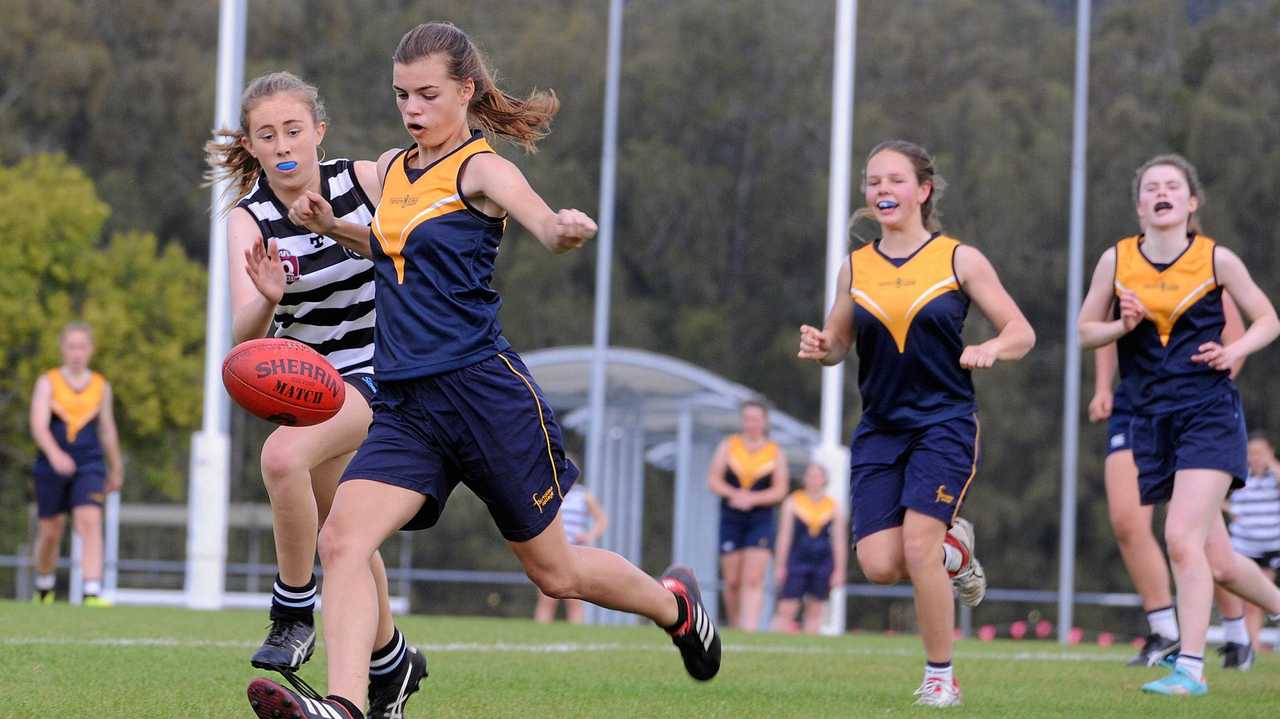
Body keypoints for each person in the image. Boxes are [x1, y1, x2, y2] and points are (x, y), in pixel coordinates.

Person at [246, 23, 720, 719]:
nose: (412, 107)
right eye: (402, 93)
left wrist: (559, 229)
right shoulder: (396, 168)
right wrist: (333, 226)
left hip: (483, 394)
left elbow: (537, 216)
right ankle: (346, 705)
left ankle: (675, 606)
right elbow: (389, 243)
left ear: (464, 91)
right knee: (342, 537)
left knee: (555, 573)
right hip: (407, 403)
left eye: (428, 93)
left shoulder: (481, 168)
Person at [206, 71, 424, 718]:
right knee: (345, 536)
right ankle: (391, 665)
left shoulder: (362, 182)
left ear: (319, 132)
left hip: (384, 370)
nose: (283, 145)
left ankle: (293, 609)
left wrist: (337, 228)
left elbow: (414, 246)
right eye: (267, 135)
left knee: (280, 458)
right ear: (252, 144)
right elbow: (241, 338)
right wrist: (268, 299)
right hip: (312, 386)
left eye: (294, 130)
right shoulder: (249, 221)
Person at [798, 139, 1035, 707]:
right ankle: (959, 554)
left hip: (945, 423)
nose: (882, 189)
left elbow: (1021, 332)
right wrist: (823, 345)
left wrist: (991, 349)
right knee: (879, 564)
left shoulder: (959, 259)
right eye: (873, 180)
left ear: (923, 191)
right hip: (880, 428)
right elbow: (838, 345)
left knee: (918, 544)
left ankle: (939, 678)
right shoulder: (855, 268)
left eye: (895, 180)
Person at [1078, 153, 1280, 697]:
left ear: (1191, 202)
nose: (1162, 193)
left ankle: (1189, 669)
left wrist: (1233, 349)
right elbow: (1084, 332)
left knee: (1180, 538)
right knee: (1220, 562)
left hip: (1209, 413)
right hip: (1150, 419)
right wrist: (1122, 324)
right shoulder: (1116, 260)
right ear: (1140, 204)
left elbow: (1268, 319)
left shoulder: (1216, 258)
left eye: (1173, 186)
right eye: (1151, 187)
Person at [1090, 291, 1247, 668]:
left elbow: (1238, 340)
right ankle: (1165, 632)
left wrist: (1212, 388)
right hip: (1136, 407)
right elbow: (1102, 330)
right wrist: (1102, 387)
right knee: (1128, 523)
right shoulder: (1124, 269)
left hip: (1194, 411)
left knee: (1207, 545)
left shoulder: (1208, 269)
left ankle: (1237, 633)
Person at [28, 322, 123, 606]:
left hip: (89, 464)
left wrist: (116, 467)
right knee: (50, 530)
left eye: (82, 346)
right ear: (63, 349)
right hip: (50, 464)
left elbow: (107, 429)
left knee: (90, 521)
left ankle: (91, 590)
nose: (77, 353)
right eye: (72, 346)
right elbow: (38, 425)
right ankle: (44, 586)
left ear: (91, 350)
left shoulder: (100, 386)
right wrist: (55, 454)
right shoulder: (48, 382)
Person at [707, 400, 789, 631]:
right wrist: (735, 494)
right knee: (732, 580)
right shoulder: (729, 446)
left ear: (764, 421)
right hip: (731, 517)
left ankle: (749, 628)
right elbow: (714, 479)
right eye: (747, 419)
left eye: (756, 419)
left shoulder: (774, 451)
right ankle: (735, 626)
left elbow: (780, 490)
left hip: (760, 518)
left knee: (753, 579)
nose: (751, 424)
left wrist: (752, 499)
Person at [1216, 431, 1280, 663]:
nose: (1254, 457)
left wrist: (1272, 464)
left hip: (1269, 547)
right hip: (1242, 544)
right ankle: (1248, 643)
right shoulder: (1241, 476)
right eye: (1250, 453)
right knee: (1244, 600)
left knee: (1259, 599)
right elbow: (1214, 494)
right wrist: (1229, 510)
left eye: (1259, 452)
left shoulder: (1274, 477)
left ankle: (1251, 644)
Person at [770, 463, 847, 635]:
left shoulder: (833, 507)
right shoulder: (793, 502)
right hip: (797, 560)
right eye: (810, 475)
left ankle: (809, 644)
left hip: (822, 561)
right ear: (805, 479)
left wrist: (839, 570)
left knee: (816, 608)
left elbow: (839, 541)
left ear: (825, 480)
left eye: (818, 476)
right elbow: (784, 536)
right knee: (787, 607)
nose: (814, 480)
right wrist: (780, 565)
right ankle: (777, 641)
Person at [534, 480, 608, 624]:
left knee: (574, 599)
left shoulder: (583, 496)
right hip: (551, 552)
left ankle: (576, 635)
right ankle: (540, 634)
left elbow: (601, 519)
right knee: (546, 598)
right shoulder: (549, 493)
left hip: (574, 552)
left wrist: (589, 535)